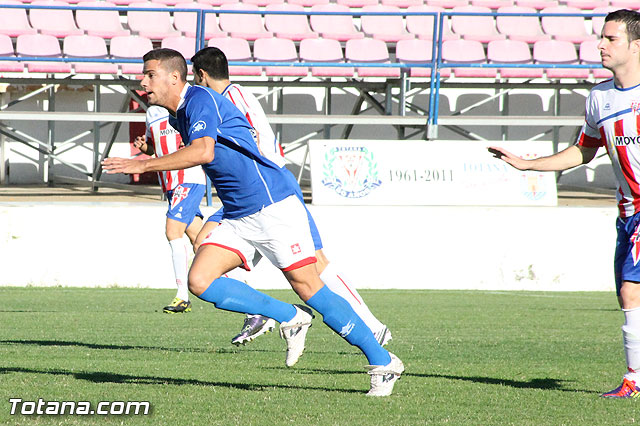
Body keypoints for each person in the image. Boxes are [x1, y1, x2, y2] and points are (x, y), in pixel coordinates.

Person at [102, 48, 404, 397]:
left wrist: (141, 165)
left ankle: (383, 362)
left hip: (270, 204)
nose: (143, 80)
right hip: (238, 212)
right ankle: (290, 317)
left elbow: (204, 152)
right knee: (200, 280)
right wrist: (153, 156)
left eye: (149, 74)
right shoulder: (176, 114)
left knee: (307, 284)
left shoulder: (200, 98)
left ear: (174, 77)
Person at [190, 46, 392, 348]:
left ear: (201, 75)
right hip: (249, 193)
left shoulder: (229, 99)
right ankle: (260, 312)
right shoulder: (235, 94)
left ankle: (372, 326)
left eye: (194, 77)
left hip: (270, 189)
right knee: (204, 244)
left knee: (317, 264)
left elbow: (251, 139)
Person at [489, 9, 640, 398]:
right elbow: (583, 152)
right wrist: (529, 165)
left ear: (636, 46)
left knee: (631, 291)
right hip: (626, 213)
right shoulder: (600, 98)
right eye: (601, 38)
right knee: (628, 295)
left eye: (611, 39)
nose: (601, 45)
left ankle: (633, 381)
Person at [134, 105, 207, 314]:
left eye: (151, 78)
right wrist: (144, 147)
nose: (145, 86)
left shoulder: (183, 105)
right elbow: (155, 148)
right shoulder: (151, 113)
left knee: (173, 231)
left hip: (188, 179)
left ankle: (182, 296)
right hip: (171, 185)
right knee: (202, 242)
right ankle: (248, 301)